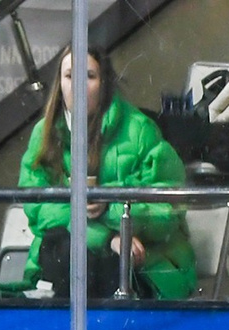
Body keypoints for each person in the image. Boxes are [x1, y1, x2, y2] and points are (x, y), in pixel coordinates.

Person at [18, 50, 194, 302]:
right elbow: (39, 211)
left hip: (145, 269)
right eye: (69, 76)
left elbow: (169, 212)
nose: (78, 86)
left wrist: (109, 207)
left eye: (88, 76)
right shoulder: (43, 133)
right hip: (66, 263)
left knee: (85, 258)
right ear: (60, 84)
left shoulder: (140, 131)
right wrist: (107, 237)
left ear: (105, 85)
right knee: (64, 248)